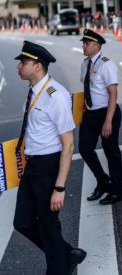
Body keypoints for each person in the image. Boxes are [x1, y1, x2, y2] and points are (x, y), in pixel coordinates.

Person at [13, 41, 86, 274]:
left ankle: (58, 269)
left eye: (23, 62)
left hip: (49, 166)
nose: (19, 66)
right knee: (22, 222)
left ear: (37, 66)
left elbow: (68, 144)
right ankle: (67, 254)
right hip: (32, 165)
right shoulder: (35, 91)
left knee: (48, 226)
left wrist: (60, 187)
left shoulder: (56, 96)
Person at [78, 29, 122, 205]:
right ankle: (103, 181)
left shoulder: (106, 64)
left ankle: (117, 192)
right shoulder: (85, 64)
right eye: (83, 43)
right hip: (90, 114)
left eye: (86, 43)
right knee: (85, 149)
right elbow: (87, 88)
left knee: (111, 152)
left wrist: (108, 121)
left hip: (107, 113)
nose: (83, 46)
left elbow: (113, 94)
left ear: (96, 46)